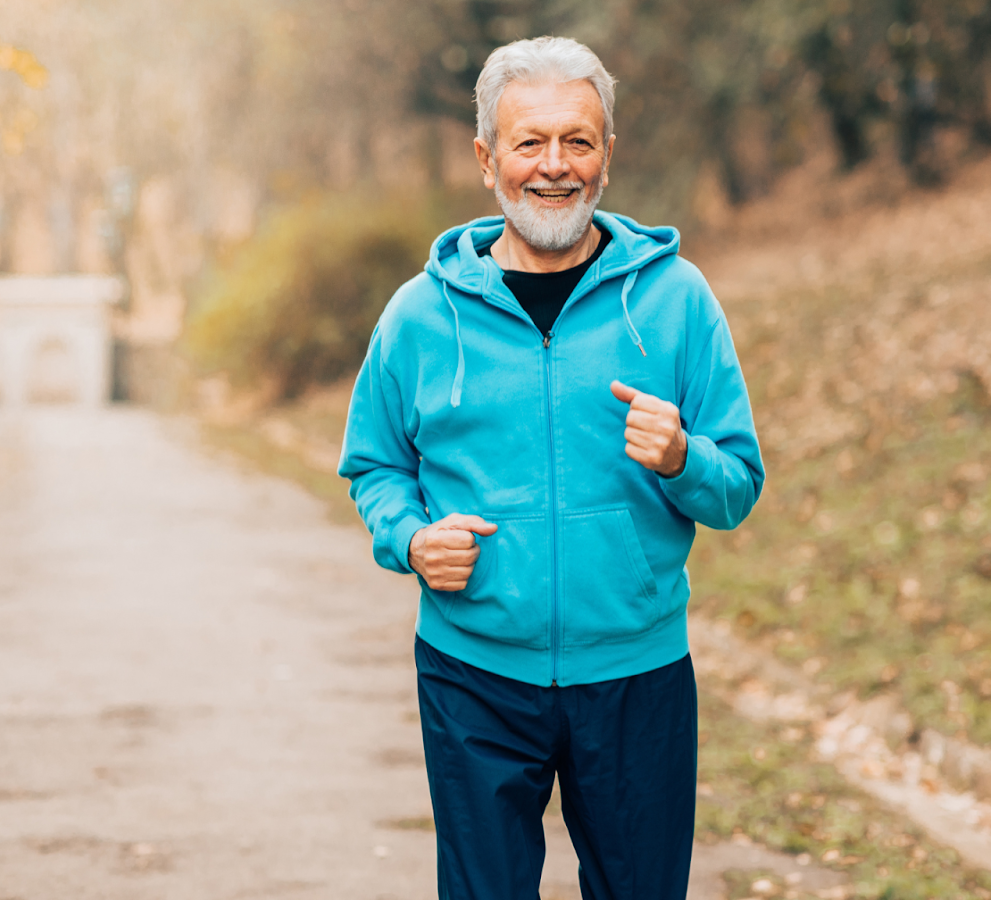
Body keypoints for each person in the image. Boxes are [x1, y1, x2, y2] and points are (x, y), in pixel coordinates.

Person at [338, 35, 765, 900]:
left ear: (609, 154)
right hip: (473, 675)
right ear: (486, 158)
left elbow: (738, 484)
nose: (553, 166)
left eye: (577, 139)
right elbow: (375, 465)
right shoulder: (420, 315)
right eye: (529, 141)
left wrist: (683, 458)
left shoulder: (677, 299)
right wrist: (411, 539)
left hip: (638, 674)